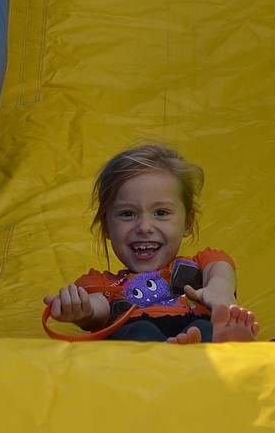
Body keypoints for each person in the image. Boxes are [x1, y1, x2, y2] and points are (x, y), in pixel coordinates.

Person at [43, 142, 259, 343]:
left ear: (187, 223)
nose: (145, 227)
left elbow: (220, 266)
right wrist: (81, 310)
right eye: (127, 214)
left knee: (204, 327)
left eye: (161, 212)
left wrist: (219, 290)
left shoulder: (197, 266)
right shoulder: (101, 283)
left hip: (194, 330)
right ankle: (178, 354)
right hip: (138, 337)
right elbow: (97, 306)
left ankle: (220, 342)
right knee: (140, 331)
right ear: (107, 227)